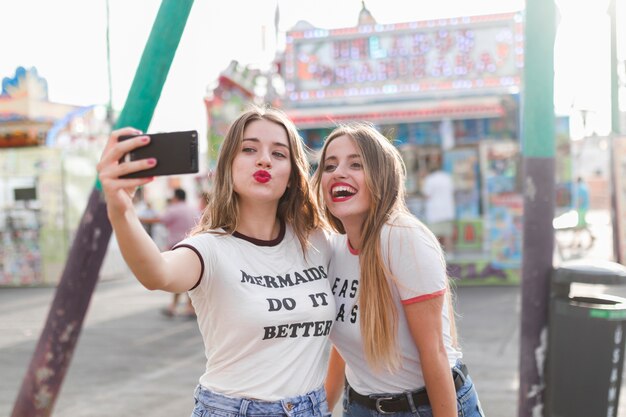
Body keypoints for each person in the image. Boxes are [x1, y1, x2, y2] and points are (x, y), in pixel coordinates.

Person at [97, 106, 334, 417]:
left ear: (292, 174)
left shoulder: (318, 242)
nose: (264, 159)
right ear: (229, 166)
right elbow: (157, 273)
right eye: (249, 149)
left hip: (311, 408)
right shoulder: (209, 249)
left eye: (279, 154)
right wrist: (120, 208)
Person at [312, 123, 484, 417]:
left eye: (356, 164)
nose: (338, 172)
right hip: (359, 406)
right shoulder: (333, 248)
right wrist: (323, 409)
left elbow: (435, 355)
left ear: (382, 176)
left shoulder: (403, 238)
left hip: (424, 406)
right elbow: (344, 347)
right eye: (329, 165)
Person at [140, 187, 198, 318]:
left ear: (176, 197)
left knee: (179, 278)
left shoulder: (174, 209)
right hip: (194, 246)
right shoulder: (192, 209)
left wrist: (136, 219)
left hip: (177, 247)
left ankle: (176, 307)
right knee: (190, 278)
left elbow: (159, 220)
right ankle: (188, 307)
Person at [421, 159, 455, 253]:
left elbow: (426, 195)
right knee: (447, 235)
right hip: (447, 211)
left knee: (434, 236)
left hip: (434, 212)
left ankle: (436, 255)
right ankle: (450, 253)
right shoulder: (447, 178)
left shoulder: (429, 179)